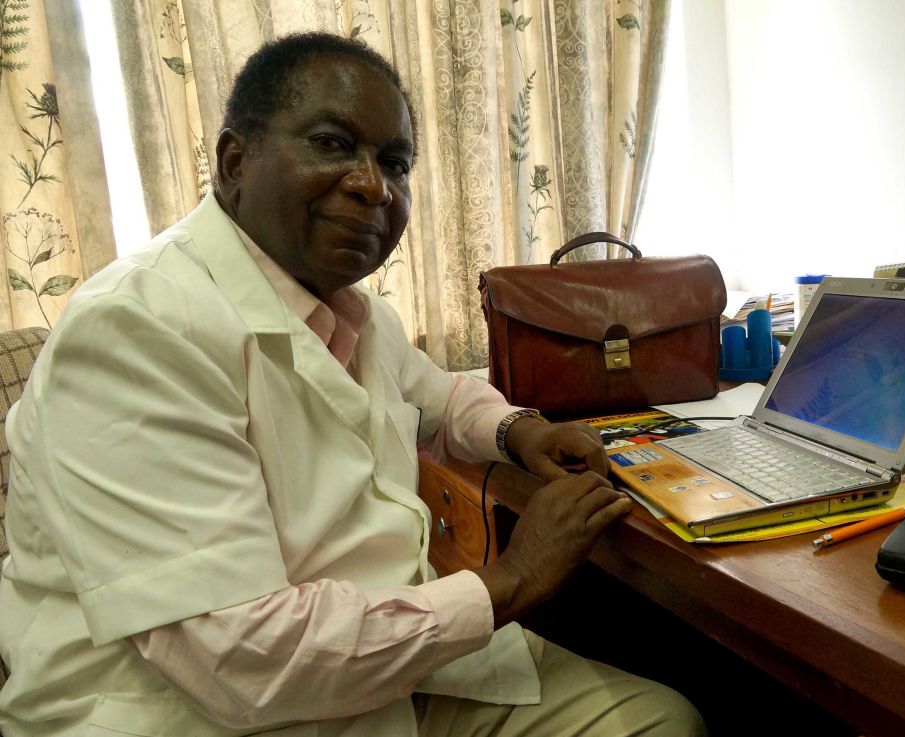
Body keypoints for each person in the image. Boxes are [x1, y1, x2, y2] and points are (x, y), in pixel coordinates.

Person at [0, 32, 705, 737]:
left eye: (394, 162)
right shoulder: (137, 329)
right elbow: (238, 662)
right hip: (198, 713)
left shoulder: (348, 308)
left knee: (661, 719)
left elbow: (437, 395)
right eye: (334, 144)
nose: (374, 185)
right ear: (234, 161)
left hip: (373, 671)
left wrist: (521, 431)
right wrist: (512, 579)